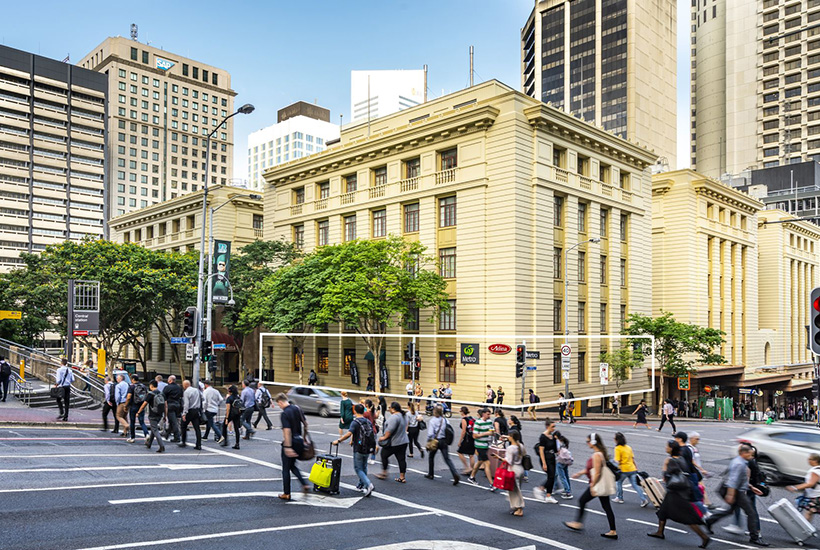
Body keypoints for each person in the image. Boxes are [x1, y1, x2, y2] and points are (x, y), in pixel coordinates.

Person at [646, 440, 710, 548]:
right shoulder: (682, 458)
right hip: (680, 491)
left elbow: (667, 476)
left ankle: (704, 537)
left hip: (676, 493)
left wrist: (664, 467)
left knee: (687, 518)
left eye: (667, 446)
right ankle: (660, 532)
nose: (665, 448)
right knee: (662, 512)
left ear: (671, 448)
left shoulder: (670, 460)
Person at [705, 444, 769, 547]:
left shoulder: (741, 462)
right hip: (734, 490)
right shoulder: (739, 464)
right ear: (743, 453)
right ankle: (754, 538)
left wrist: (751, 487)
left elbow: (740, 478)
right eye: (750, 454)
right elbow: (733, 481)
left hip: (734, 489)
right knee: (751, 513)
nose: (752, 457)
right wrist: (731, 495)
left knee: (730, 510)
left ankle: (709, 521)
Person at [564, 433, 618, 540]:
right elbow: (592, 468)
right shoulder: (600, 453)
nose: (587, 443)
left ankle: (578, 523)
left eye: (588, 441)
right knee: (606, 507)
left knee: (582, 501)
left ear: (593, 442)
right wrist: (580, 473)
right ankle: (613, 531)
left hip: (596, 483)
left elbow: (597, 472)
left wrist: (593, 486)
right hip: (599, 483)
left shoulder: (597, 455)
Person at [334, 403, 374, 496]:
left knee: (358, 468)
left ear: (355, 411)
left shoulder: (355, 422)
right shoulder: (368, 421)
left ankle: (368, 484)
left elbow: (349, 433)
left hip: (359, 448)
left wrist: (338, 440)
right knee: (364, 467)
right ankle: (361, 485)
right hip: (367, 447)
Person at [277, 392, 309, 500]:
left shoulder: (285, 413)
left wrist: (287, 446)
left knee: (286, 468)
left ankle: (287, 493)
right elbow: (305, 424)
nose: (279, 407)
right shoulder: (297, 409)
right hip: (299, 440)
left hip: (291, 442)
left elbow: (287, 431)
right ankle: (304, 484)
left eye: (279, 404)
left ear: (281, 402)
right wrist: (304, 438)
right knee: (292, 465)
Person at [426, 404, 460, 485]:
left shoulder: (432, 421)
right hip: (444, 440)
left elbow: (430, 433)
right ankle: (454, 473)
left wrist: (428, 441)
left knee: (431, 457)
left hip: (436, 440)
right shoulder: (445, 420)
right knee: (447, 459)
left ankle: (431, 474)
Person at [613, 432, 649, 506]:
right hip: (632, 468)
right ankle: (643, 499)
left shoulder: (617, 448)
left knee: (619, 482)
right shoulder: (628, 447)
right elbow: (632, 458)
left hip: (624, 469)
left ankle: (620, 498)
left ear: (617, 440)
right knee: (635, 485)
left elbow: (617, 460)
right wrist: (635, 467)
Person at [675, 431, 706, 514]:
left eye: (676, 438)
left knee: (692, 497)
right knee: (693, 496)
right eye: (697, 439)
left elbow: (686, 463)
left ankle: (704, 513)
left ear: (680, 439)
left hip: (688, 476)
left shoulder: (682, 450)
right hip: (692, 474)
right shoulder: (688, 448)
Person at [376, 401, 408, 483]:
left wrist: (383, 438)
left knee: (384, 455)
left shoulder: (394, 417)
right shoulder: (403, 416)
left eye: (390, 407)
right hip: (403, 441)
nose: (389, 409)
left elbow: (389, 430)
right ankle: (402, 477)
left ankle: (384, 473)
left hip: (394, 442)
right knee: (401, 459)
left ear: (393, 409)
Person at [787, 453, 820, 522]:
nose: (808, 461)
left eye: (810, 459)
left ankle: (805, 530)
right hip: (815, 495)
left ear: (815, 461)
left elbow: (810, 484)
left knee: (809, 511)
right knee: (810, 511)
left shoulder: (815, 471)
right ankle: (806, 529)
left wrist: (795, 487)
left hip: (816, 496)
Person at [467, 408, 495, 489]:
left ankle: (472, 477)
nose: (489, 416)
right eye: (488, 414)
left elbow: (491, 431)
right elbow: (474, 436)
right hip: (480, 445)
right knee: (487, 463)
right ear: (483, 414)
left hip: (486, 444)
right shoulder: (478, 422)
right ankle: (491, 484)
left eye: (490, 414)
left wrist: (493, 434)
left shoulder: (490, 422)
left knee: (479, 462)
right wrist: (486, 433)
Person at [501, 429, 526, 517]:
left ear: (511, 437)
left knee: (515, 490)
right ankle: (517, 506)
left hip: (513, 469)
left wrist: (499, 458)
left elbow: (509, 461)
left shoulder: (510, 448)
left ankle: (519, 508)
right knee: (517, 489)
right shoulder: (520, 446)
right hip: (520, 468)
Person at [534, 418, 559, 504]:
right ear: (547, 426)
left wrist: (556, 440)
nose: (554, 428)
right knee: (551, 476)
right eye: (552, 427)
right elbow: (541, 450)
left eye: (554, 426)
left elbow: (555, 450)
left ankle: (548, 495)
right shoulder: (543, 437)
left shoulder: (553, 436)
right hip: (546, 458)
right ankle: (540, 489)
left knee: (552, 477)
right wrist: (544, 463)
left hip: (552, 458)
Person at [138, 379, 166, 453]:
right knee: (154, 428)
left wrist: (138, 412)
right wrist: (165, 415)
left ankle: (161, 445)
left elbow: (144, 404)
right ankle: (149, 443)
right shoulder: (162, 393)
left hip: (152, 414)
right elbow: (165, 406)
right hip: (160, 414)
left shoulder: (150, 394)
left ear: (151, 386)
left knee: (155, 430)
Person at [178, 380, 202, 450]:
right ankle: (198, 444)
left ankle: (183, 441)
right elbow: (202, 398)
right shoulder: (197, 390)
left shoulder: (186, 392)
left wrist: (184, 413)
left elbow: (186, 404)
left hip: (189, 411)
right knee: (197, 428)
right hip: (196, 410)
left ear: (185, 385)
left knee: (183, 426)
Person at [126, 374, 148, 443]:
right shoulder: (143, 386)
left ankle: (132, 437)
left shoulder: (131, 387)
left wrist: (126, 405)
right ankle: (146, 434)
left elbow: (129, 397)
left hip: (133, 406)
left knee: (132, 422)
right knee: (142, 422)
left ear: (133, 379)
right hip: (141, 406)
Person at [162, 375, 183, 443]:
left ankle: (177, 437)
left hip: (170, 405)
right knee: (172, 421)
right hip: (178, 405)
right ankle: (167, 434)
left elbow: (163, 396)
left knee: (173, 422)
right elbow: (181, 395)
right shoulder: (179, 387)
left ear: (170, 380)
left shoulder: (167, 387)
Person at [202, 379, 224, 444]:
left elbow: (205, 402)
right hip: (215, 409)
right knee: (209, 422)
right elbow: (221, 399)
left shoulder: (206, 391)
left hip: (208, 409)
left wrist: (204, 409)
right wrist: (217, 404)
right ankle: (205, 436)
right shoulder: (216, 391)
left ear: (205, 385)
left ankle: (220, 436)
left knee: (211, 423)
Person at [221, 385, 242, 449]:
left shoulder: (229, 398)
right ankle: (237, 443)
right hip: (237, 414)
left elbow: (228, 409)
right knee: (236, 429)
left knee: (224, 426)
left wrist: (227, 418)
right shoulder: (237, 397)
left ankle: (225, 441)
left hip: (231, 414)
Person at [457, 406, 476, 474]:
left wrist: (460, 441)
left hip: (467, 438)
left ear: (462, 412)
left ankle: (467, 467)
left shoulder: (464, 419)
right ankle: (472, 468)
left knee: (460, 452)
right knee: (471, 454)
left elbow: (463, 431)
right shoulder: (471, 418)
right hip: (472, 437)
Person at [555, 433, 574, 499]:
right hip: (565, 462)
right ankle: (568, 489)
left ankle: (567, 492)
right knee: (566, 476)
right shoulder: (565, 444)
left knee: (562, 477)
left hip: (560, 462)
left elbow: (557, 451)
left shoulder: (558, 443)